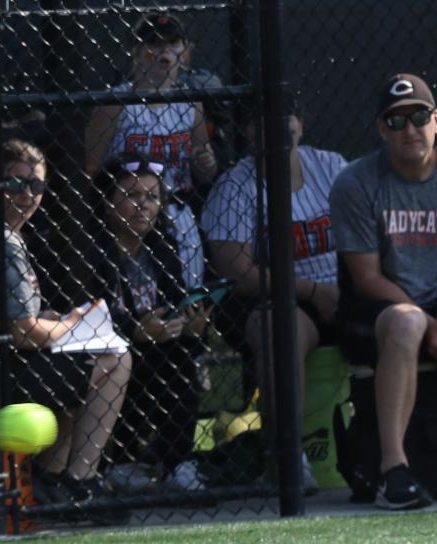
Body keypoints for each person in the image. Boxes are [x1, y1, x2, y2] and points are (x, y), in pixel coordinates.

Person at [201, 93, 345, 494]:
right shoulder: (235, 187)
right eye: (263, 118)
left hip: (342, 290)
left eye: (288, 115)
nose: (280, 125)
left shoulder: (331, 167)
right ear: (248, 131)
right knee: (282, 328)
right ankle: (287, 456)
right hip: (278, 298)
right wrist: (314, 291)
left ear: (301, 121)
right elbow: (239, 271)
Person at [0, 139, 132, 504]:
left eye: (36, 185)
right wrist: (74, 325)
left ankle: (51, 479)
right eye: (15, 183)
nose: (27, 194)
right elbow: (24, 333)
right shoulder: (4, 241)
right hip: (2, 373)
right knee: (117, 359)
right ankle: (80, 482)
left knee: (88, 360)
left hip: (7, 363)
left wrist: (59, 320)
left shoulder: (9, 235)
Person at [330, 72, 437, 510]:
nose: (409, 129)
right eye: (396, 121)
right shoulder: (355, 183)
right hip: (375, 308)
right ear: (381, 130)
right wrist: (430, 322)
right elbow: (367, 279)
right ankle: (394, 472)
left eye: (418, 116)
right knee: (407, 321)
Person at [90, 153, 209, 490]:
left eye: (152, 196)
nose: (143, 205)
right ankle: (120, 461)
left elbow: (174, 303)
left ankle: (178, 463)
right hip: (112, 350)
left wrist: (192, 325)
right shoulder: (89, 252)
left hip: (161, 350)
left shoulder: (163, 246)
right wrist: (135, 332)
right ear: (108, 200)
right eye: (131, 196)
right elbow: (89, 317)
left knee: (181, 357)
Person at [84, 11, 219, 290]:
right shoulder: (117, 102)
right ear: (136, 52)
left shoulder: (190, 103)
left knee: (184, 296)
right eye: (155, 44)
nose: (164, 51)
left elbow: (205, 168)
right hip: (130, 215)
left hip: (177, 213)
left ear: (186, 54)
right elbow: (90, 167)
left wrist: (206, 162)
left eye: (172, 43)